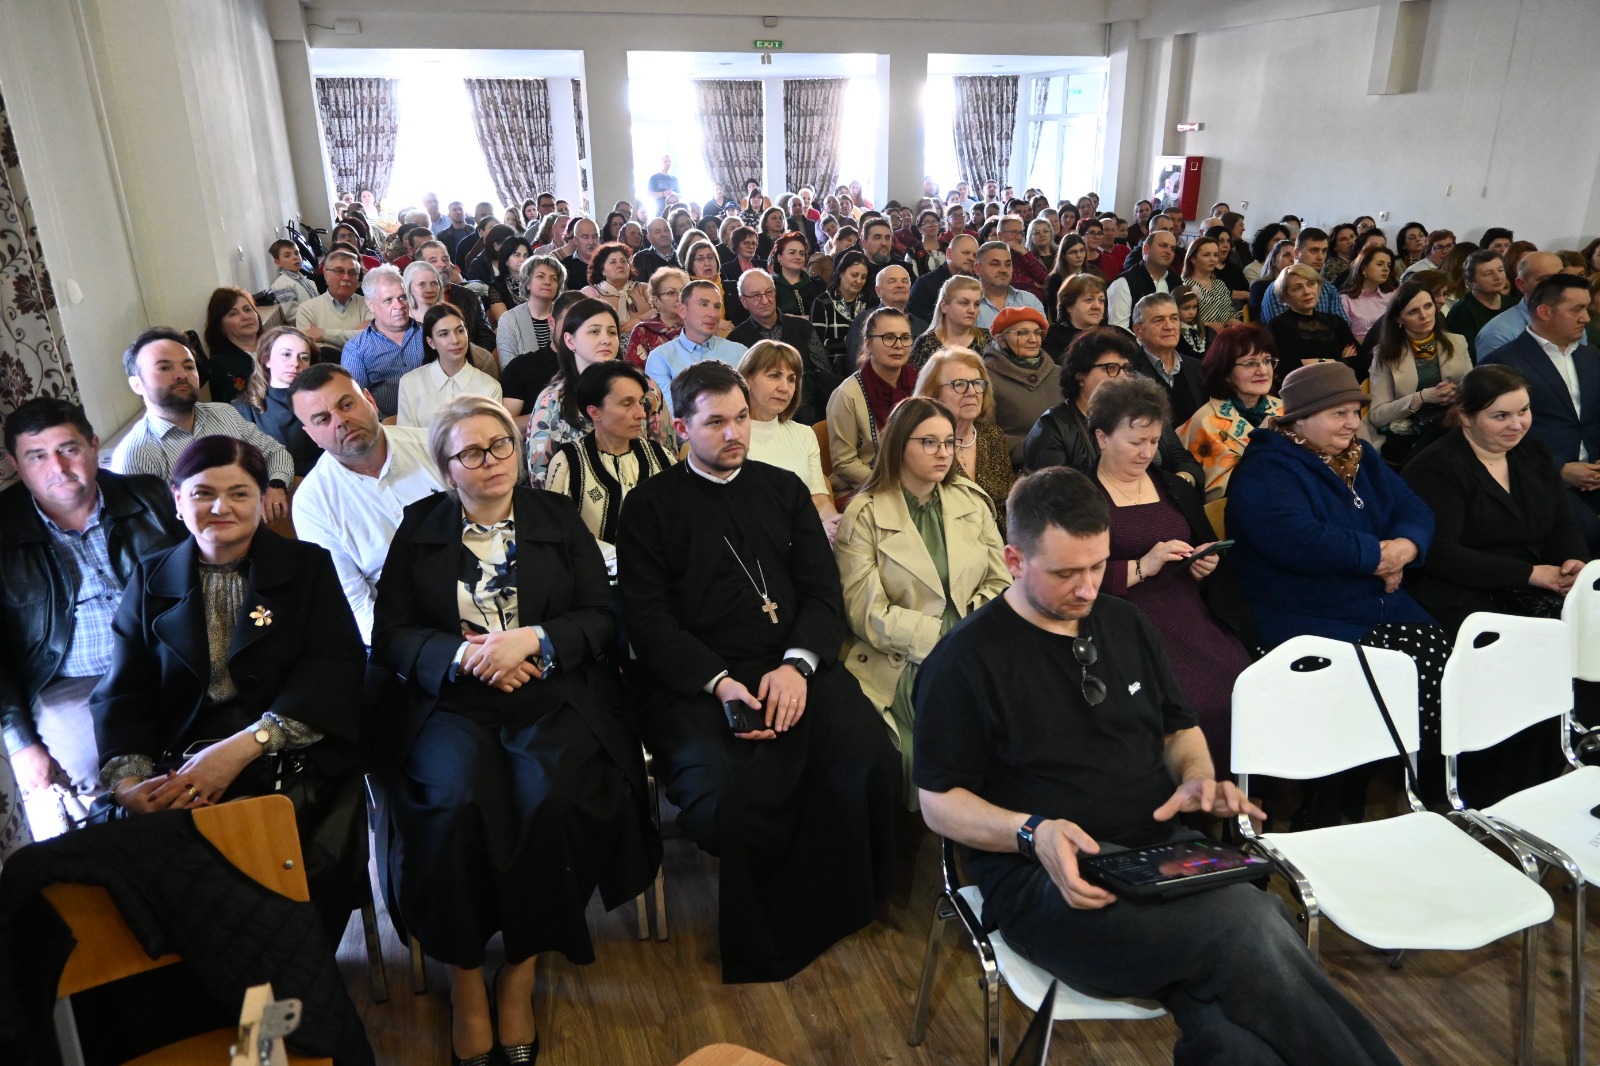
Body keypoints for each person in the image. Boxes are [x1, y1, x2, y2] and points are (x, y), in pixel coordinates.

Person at [911, 467, 1403, 1066]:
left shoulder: (1126, 623)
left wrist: (1197, 774)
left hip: (1160, 851)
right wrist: (1031, 831)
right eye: (1067, 573)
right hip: (1051, 881)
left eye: (1097, 566)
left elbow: (1178, 729)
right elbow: (939, 802)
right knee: (1247, 924)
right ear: (1014, 560)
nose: (1090, 589)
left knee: (1234, 1009)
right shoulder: (964, 660)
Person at [372, 397, 658, 1062]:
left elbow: (598, 616)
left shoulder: (557, 518)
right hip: (453, 698)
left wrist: (531, 640)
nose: (491, 461)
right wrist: (468, 657)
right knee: (451, 804)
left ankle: (521, 971)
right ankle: (466, 978)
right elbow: (391, 635)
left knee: (549, 799)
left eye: (500, 445)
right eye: (471, 452)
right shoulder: (418, 528)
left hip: (550, 690)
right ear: (447, 468)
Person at [615, 360, 899, 983]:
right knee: (731, 799)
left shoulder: (784, 489)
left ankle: (850, 905)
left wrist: (798, 666)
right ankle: (768, 933)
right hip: (695, 680)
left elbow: (823, 595)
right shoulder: (649, 506)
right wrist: (719, 683)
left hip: (795, 663)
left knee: (869, 762)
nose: (733, 433)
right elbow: (649, 621)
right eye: (715, 422)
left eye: (741, 418)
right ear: (681, 429)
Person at [91, 435, 368, 939]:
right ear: (177, 500)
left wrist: (245, 747)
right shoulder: (150, 577)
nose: (220, 507)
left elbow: (333, 671)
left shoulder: (308, 568)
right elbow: (123, 690)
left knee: (279, 875)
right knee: (143, 880)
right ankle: (216, 1000)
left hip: (288, 760)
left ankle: (283, 988)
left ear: (263, 501)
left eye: (239, 493)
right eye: (202, 493)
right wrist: (130, 785)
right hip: (178, 759)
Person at [0, 398, 184, 837]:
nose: (58, 467)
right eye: (37, 456)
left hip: (168, 660)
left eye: (69, 448)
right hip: (69, 685)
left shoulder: (149, 496)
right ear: (15, 464)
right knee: (101, 775)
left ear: (93, 446)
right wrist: (20, 742)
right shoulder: (4, 530)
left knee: (209, 749)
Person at [834, 397, 1010, 807]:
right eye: (929, 443)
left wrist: (965, 637)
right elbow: (866, 614)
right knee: (929, 748)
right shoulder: (865, 513)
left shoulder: (971, 500)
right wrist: (948, 640)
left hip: (976, 648)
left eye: (949, 443)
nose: (944, 453)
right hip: (904, 658)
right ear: (898, 445)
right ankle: (925, 854)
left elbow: (1001, 582)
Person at [1089, 376, 1252, 768]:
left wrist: (1202, 566)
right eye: (1134, 442)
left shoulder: (1172, 487)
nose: (1147, 453)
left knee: (1244, 685)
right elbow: (1071, 577)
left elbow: (1202, 549)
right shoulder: (1080, 495)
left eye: (1153, 441)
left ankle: (1236, 795)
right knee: (1190, 703)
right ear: (1101, 438)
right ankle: (1191, 802)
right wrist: (1143, 566)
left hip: (1189, 609)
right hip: (1123, 620)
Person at [1402, 363, 1588, 635]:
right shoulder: (1435, 468)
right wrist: (1530, 574)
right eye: (1501, 416)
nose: (1517, 425)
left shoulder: (1535, 452)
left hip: (1530, 582)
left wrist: (1573, 561)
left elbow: (1562, 525)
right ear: (1466, 417)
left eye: (1523, 411)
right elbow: (1440, 554)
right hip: (1460, 591)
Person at [287, 364, 445, 646]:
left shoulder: (433, 447)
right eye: (322, 419)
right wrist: (428, 652)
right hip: (401, 630)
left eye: (346, 404)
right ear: (311, 435)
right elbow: (355, 602)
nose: (340, 421)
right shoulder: (312, 502)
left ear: (369, 400)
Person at [110, 328, 293, 524]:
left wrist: (276, 485)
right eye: (164, 368)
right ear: (137, 384)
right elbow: (152, 534)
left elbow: (275, 452)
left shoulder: (224, 414)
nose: (181, 375)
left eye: (189, 367)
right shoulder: (136, 454)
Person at [1482, 274, 1600, 550]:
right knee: (1588, 534)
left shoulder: (1588, 356)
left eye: (1587, 308)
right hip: (1539, 476)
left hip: (1593, 472)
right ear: (1545, 312)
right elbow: (1495, 436)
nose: (1586, 318)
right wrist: (1560, 469)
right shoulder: (1503, 363)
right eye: (1576, 309)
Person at [545, 361, 676, 571]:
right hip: (595, 582)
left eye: (641, 402)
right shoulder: (569, 463)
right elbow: (557, 533)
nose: (641, 413)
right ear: (595, 412)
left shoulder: (660, 456)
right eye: (627, 404)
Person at [527, 298, 671, 486]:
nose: (606, 339)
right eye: (594, 332)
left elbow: (665, 453)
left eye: (612, 332)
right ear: (570, 341)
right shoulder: (552, 400)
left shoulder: (646, 387)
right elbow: (541, 477)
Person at [738, 340, 841, 538]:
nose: (785, 388)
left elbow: (819, 500)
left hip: (803, 538)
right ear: (747, 379)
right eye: (775, 376)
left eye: (791, 379)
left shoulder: (805, 434)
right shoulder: (729, 437)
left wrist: (833, 522)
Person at [1366, 281, 1470, 463]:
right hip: (1408, 435)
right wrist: (1422, 397)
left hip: (1454, 424)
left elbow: (1473, 390)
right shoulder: (1385, 354)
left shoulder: (1457, 341)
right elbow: (1377, 415)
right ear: (1398, 319)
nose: (1424, 316)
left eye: (1428, 306)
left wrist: (1456, 393)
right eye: (1413, 311)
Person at [1177, 324, 1284, 501]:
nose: (1263, 371)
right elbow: (1215, 493)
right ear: (1226, 372)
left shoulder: (1285, 409)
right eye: (1250, 364)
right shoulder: (1205, 421)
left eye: (1267, 361)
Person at [915, 347, 1015, 526]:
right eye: (959, 384)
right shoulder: (920, 444)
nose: (972, 392)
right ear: (933, 393)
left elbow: (1010, 506)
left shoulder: (992, 436)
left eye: (978, 383)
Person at [827, 306, 919, 493]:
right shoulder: (847, 394)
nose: (898, 345)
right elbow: (844, 463)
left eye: (905, 337)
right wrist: (891, 485)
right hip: (866, 486)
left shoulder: (920, 383)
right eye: (889, 337)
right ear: (868, 343)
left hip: (916, 479)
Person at [730, 269, 838, 426]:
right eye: (755, 296)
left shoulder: (803, 327)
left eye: (769, 292)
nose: (765, 300)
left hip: (807, 413)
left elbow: (824, 372)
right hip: (762, 420)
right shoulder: (736, 339)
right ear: (743, 301)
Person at [644, 279, 749, 415]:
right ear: (682, 310)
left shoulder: (740, 352)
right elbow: (670, 415)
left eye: (717, 306)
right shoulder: (661, 358)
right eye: (704, 304)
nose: (713, 314)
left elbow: (750, 405)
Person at [396, 303, 503, 430]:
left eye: (460, 331)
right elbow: (406, 440)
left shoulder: (490, 388)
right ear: (431, 342)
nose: (455, 340)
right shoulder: (410, 383)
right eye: (444, 334)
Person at [232, 326, 319, 476]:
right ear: (266, 359)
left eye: (303, 357)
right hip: (274, 486)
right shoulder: (243, 408)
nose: (295, 363)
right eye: (286, 354)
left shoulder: (322, 400)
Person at [341, 265, 424, 419]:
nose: (398, 306)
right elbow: (357, 401)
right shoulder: (356, 349)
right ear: (371, 305)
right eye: (388, 300)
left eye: (402, 297)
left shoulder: (429, 334)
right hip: (386, 428)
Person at [982, 306, 1060, 466]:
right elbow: (986, 434)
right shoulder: (985, 377)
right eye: (1023, 333)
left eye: (1037, 333)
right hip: (1015, 467)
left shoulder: (1059, 373)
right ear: (1002, 341)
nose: (1033, 339)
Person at [1268, 264, 1364, 382]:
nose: (1307, 292)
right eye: (1297, 288)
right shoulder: (1278, 325)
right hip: (1305, 391)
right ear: (1285, 296)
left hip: (1345, 385)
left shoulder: (1335, 320)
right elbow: (1292, 370)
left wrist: (1315, 362)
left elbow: (1361, 364)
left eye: (1311, 284)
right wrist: (1342, 362)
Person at [1126, 293, 1206, 427]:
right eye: (1158, 320)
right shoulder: (1128, 372)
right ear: (1138, 330)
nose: (1169, 326)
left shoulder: (1198, 368)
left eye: (1174, 318)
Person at [1474, 251, 1563, 360]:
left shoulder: (1572, 320)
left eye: (1561, 276)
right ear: (1521, 284)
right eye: (1545, 280)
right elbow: (1492, 376)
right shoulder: (1498, 333)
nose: (1559, 285)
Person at [1259, 228, 1351, 325]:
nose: (1320, 257)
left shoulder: (1329, 288)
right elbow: (1281, 330)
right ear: (1296, 253)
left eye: (1324, 251)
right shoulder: (1278, 288)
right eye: (1314, 250)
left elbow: (1344, 326)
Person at [497, 253, 565, 369]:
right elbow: (508, 367)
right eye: (540, 276)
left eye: (553, 278)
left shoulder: (565, 316)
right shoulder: (509, 319)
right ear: (528, 283)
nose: (548, 282)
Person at [296, 249, 370, 356]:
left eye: (353, 272)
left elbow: (370, 342)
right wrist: (356, 335)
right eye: (339, 271)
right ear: (326, 275)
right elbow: (313, 353)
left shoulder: (369, 305)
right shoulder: (307, 310)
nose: (346, 277)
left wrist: (324, 335)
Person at [910, 275, 990, 370]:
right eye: (964, 303)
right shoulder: (924, 344)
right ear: (944, 306)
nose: (972, 310)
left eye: (976, 304)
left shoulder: (987, 339)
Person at [811, 249, 871, 374]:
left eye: (863, 277)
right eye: (854, 275)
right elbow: (816, 346)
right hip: (831, 371)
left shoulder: (868, 302)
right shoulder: (823, 302)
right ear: (840, 273)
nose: (859, 281)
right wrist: (846, 342)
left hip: (863, 370)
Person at [1445, 249, 1511, 361]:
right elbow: (1470, 354)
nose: (1497, 277)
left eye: (1500, 270)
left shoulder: (1513, 304)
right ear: (1470, 281)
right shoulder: (1461, 312)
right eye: (1488, 273)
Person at [202, 286, 262, 404]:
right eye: (233, 314)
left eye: (248, 309)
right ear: (220, 327)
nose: (245, 317)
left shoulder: (276, 346)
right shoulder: (219, 365)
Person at [582, 240, 650, 338]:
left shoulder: (643, 288)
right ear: (602, 270)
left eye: (623, 261)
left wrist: (640, 320)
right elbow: (585, 324)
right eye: (613, 262)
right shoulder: (590, 293)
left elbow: (662, 309)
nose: (620, 265)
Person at [908, 233, 978, 327]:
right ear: (949, 253)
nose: (971, 258)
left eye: (975, 255)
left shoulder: (978, 283)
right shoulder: (925, 285)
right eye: (965, 253)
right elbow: (920, 326)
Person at [624, 266, 686, 371]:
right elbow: (634, 373)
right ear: (656, 300)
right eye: (671, 293)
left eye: (683, 292)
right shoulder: (643, 331)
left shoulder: (696, 326)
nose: (679, 298)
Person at [973, 241, 1045, 330]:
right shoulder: (968, 305)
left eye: (1008, 264)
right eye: (995, 264)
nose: (1003, 270)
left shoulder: (1030, 301)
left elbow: (1042, 338)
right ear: (978, 269)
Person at [1042, 274, 1109, 363]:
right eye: (1089, 300)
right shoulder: (1052, 337)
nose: (1097, 306)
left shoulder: (1115, 335)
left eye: (1101, 300)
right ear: (1068, 306)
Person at [1339, 243, 1397, 343]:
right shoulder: (1346, 300)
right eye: (1379, 264)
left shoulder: (1393, 296)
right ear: (1363, 268)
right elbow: (1344, 337)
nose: (1386, 269)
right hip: (1362, 352)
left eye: (1388, 265)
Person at [1181, 236, 1239, 336]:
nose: (1212, 259)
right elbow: (1181, 320)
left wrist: (1232, 319)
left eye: (1215, 255)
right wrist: (1205, 324)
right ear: (1193, 259)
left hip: (1225, 336)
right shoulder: (1185, 286)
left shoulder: (1220, 284)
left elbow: (1231, 311)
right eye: (1206, 255)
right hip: (1200, 338)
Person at [769, 231, 824, 318]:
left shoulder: (817, 284)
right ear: (779, 257)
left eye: (802, 254)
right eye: (792, 252)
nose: (798, 257)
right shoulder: (770, 287)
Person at [266, 239, 318, 324]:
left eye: (297, 253)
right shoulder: (282, 284)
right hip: (305, 330)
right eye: (287, 256)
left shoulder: (307, 281)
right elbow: (292, 316)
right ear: (278, 262)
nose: (295, 257)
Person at [561, 217, 601, 291]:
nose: (591, 242)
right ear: (575, 240)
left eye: (595, 236)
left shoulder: (608, 262)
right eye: (585, 237)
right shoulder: (565, 266)